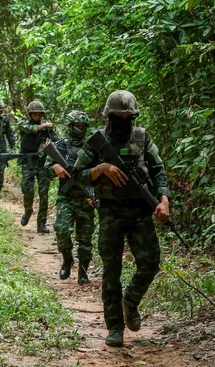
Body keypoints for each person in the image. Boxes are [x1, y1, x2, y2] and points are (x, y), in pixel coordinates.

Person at [72, 90, 170, 347]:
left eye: (129, 117)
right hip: (110, 211)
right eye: (119, 117)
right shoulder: (97, 141)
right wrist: (101, 169)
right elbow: (77, 175)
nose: (124, 121)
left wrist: (164, 200)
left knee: (150, 262)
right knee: (111, 271)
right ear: (109, 116)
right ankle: (115, 327)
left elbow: (158, 170)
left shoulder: (142, 137)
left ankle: (131, 301)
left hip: (140, 211)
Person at [46, 110, 95, 284]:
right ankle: (67, 258)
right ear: (70, 126)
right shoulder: (61, 146)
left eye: (83, 126)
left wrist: (94, 194)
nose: (80, 128)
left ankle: (83, 271)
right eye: (77, 125)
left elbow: (100, 173)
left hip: (86, 197)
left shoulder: (92, 147)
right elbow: (47, 168)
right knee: (62, 228)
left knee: (85, 238)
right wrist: (54, 168)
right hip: (66, 196)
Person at [17, 100, 58, 233]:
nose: (38, 116)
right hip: (28, 162)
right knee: (28, 191)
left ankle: (41, 224)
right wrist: (45, 125)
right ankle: (28, 211)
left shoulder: (47, 128)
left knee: (44, 194)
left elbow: (57, 141)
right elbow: (31, 129)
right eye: (35, 114)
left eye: (40, 114)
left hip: (42, 163)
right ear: (30, 114)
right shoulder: (24, 124)